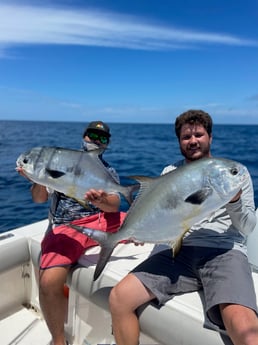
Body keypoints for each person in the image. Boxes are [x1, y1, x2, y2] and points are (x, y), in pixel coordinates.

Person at [109, 110, 258, 345]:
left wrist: (234, 200)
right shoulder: (170, 173)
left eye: (199, 134)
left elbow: (248, 227)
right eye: (186, 137)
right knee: (119, 298)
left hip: (224, 252)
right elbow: (160, 216)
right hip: (178, 250)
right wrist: (141, 231)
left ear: (210, 137)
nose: (193, 141)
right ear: (179, 141)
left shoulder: (235, 172)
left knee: (243, 326)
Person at [17, 121, 127, 345]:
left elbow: (114, 206)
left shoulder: (108, 171)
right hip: (68, 226)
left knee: (140, 221)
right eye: (92, 135)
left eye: (103, 138)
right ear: (84, 136)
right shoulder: (60, 161)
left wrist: (102, 199)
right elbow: (38, 198)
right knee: (48, 282)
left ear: (108, 143)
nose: (97, 141)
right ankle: (59, 340)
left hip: (98, 221)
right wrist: (38, 178)